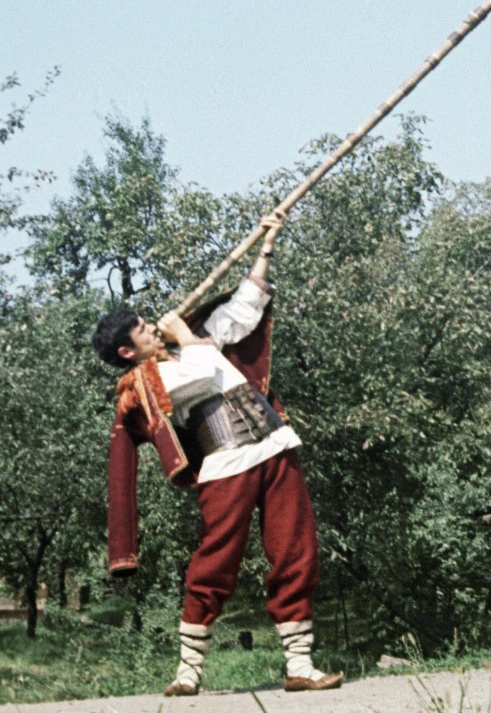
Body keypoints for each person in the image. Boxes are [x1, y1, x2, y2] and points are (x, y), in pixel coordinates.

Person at [91, 212, 343, 696]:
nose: (153, 328)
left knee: (296, 550)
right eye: (144, 330)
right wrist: (187, 339)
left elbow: (245, 309)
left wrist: (266, 245)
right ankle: (188, 674)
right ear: (128, 352)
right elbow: (207, 374)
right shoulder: (144, 382)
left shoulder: (191, 343)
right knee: (215, 561)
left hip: (274, 445)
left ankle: (300, 665)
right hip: (227, 464)